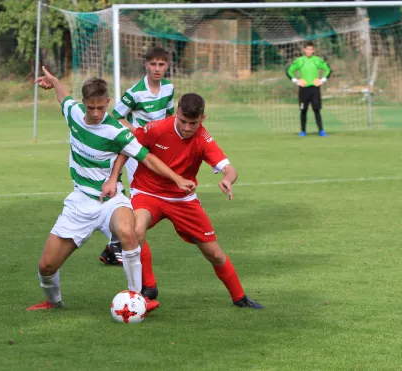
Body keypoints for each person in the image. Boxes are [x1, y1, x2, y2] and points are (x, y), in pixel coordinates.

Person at [26, 66, 196, 311]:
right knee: (46, 266)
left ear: (108, 103)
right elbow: (64, 97)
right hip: (80, 201)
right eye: (91, 107)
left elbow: (147, 158)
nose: (96, 113)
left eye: (101, 107)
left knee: (129, 233)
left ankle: (138, 299)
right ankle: (54, 303)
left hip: (111, 199)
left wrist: (177, 179)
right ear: (83, 103)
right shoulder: (73, 113)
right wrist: (54, 82)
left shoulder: (117, 131)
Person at [102, 93, 263, 309]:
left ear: (202, 118)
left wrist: (227, 179)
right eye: (183, 121)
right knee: (136, 230)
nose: (187, 128)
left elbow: (229, 168)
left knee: (214, 253)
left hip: (183, 199)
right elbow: (127, 148)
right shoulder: (155, 129)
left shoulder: (203, 140)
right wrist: (114, 178)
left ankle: (240, 297)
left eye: (193, 123)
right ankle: (148, 288)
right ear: (177, 113)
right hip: (148, 193)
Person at [99, 46, 175, 266]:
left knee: (145, 200)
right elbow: (116, 117)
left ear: (167, 65)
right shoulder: (135, 92)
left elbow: (169, 116)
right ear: (146, 65)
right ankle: (120, 246)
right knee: (138, 199)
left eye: (162, 64)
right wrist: (138, 132)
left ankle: (113, 247)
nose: (157, 68)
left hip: (156, 152)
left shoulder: (169, 89)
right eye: (153, 64)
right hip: (135, 153)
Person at [286, 41, 332, 137]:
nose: (309, 51)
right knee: (303, 110)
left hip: (315, 89)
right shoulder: (300, 61)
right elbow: (289, 71)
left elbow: (328, 69)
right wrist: (296, 81)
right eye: (308, 49)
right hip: (304, 89)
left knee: (317, 110)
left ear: (313, 50)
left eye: (311, 49)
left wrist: (322, 80)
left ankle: (321, 131)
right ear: (304, 50)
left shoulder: (317, 60)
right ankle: (303, 131)